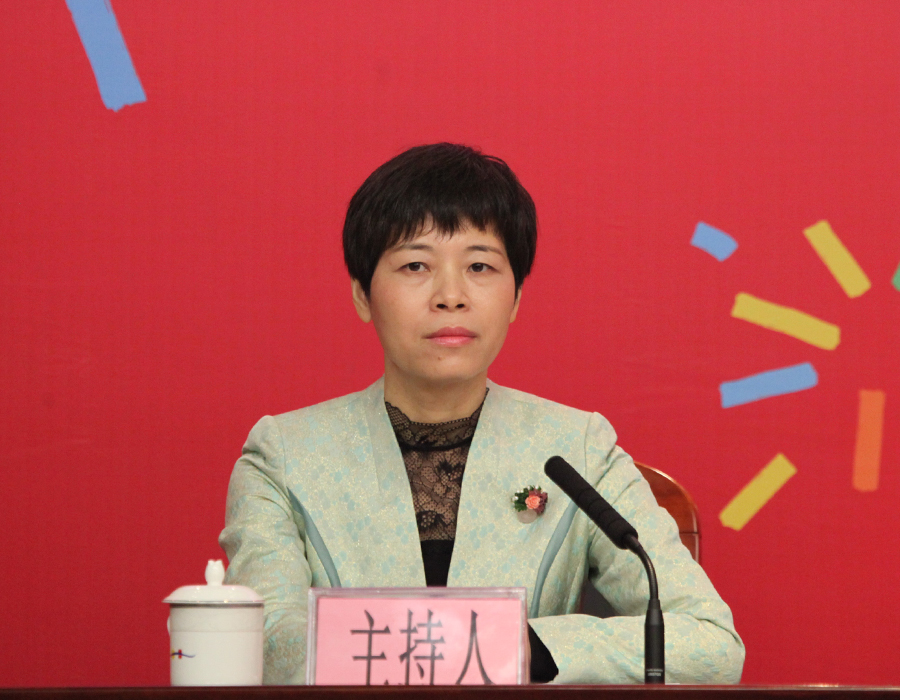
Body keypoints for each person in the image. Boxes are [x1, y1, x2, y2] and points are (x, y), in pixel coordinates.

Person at [219, 143, 745, 685]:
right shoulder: (283, 457)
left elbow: (710, 645)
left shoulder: (577, 448)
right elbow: (267, 645)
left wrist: (527, 647)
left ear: (515, 298)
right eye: (416, 265)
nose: (451, 296)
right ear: (362, 294)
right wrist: (457, 647)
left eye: (480, 266)